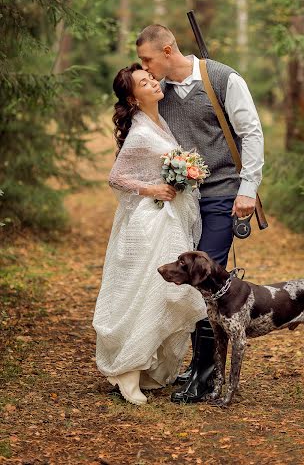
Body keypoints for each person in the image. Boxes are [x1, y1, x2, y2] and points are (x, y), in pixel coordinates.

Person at [136, 24, 264, 403]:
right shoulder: (162, 92)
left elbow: (252, 132)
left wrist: (248, 189)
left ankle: (207, 376)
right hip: (182, 201)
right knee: (186, 279)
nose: (143, 66)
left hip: (224, 193)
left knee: (205, 276)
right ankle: (197, 365)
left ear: (168, 50)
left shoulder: (224, 79)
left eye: (147, 59)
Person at [92, 63, 207, 405]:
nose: (154, 83)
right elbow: (117, 178)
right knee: (146, 292)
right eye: (145, 82)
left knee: (166, 293)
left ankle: (146, 367)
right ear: (133, 96)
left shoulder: (161, 122)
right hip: (149, 224)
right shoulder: (141, 132)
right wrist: (152, 188)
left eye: (152, 78)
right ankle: (127, 372)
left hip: (169, 221)